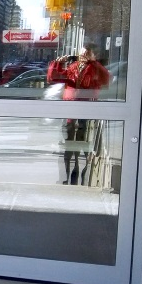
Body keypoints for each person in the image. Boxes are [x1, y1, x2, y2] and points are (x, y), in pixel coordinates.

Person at [48, 43, 110, 185]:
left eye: (87, 54)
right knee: (68, 143)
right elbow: (54, 78)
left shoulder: (95, 69)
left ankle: (82, 174)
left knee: (83, 143)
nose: (83, 56)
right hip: (70, 109)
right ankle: (66, 175)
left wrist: (94, 62)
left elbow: (106, 79)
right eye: (82, 53)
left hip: (86, 109)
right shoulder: (73, 67)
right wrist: (58, 63)